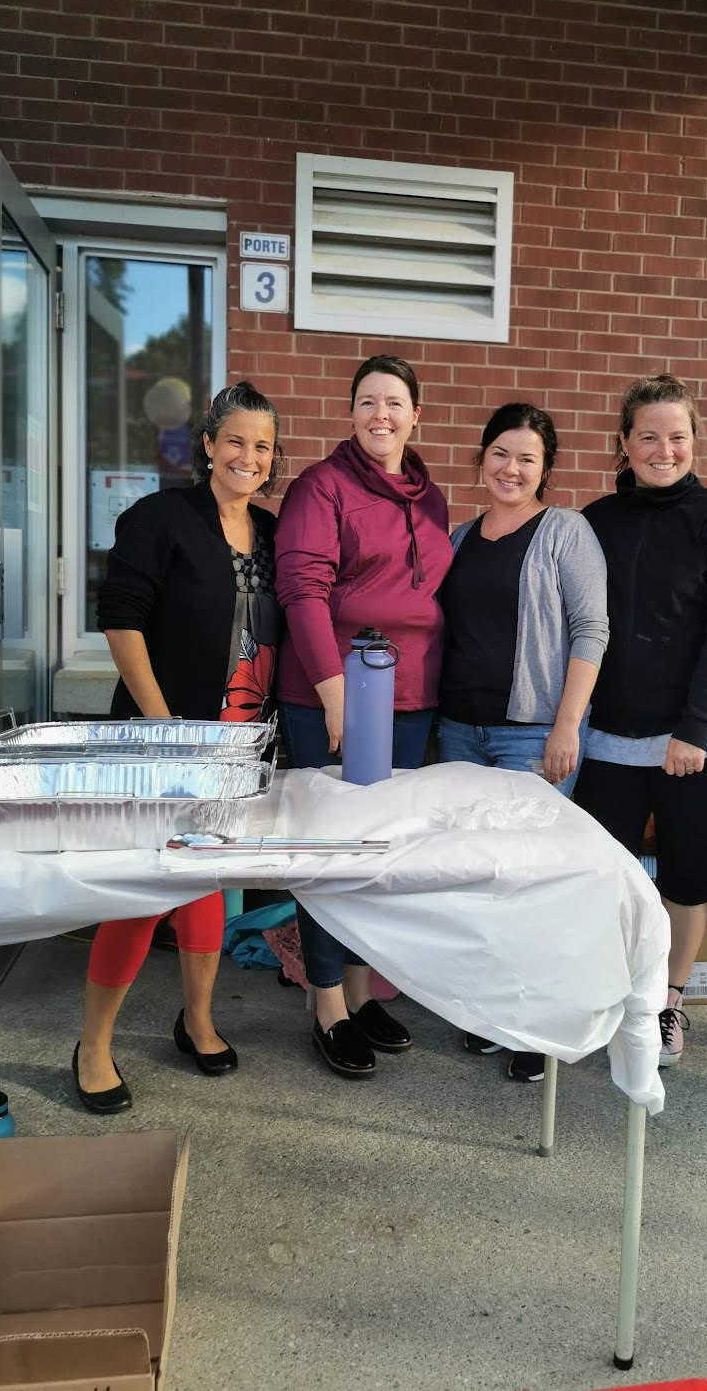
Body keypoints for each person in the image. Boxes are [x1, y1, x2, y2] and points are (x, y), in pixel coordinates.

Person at [74, 381, 282, 1113]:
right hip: (160, 740)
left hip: (236, 748)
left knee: (206, 883)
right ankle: (93, 1044)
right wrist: (167, 731)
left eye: (262, 446)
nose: (248, 457)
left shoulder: (272, 532)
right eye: (236, 441)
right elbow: (121, 619)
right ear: (208, 445)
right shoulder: (159, 519)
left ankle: (196, 1019)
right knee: (140, 893)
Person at [574, 374, 707, 1069]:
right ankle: (612, 992)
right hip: (609, 738)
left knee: (685, 868)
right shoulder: (595, 520)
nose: (664, 450)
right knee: (608, 876)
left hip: (696, 741)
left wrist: (695, 728)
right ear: (624, 443)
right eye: (648, 436)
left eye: (677, 436)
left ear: (694, 441)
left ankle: (667, 1000)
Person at [275, 354, 452, 1080]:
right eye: (368, 401)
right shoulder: (322, 486)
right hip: (336, 693)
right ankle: (326, 1007)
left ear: (416, 416)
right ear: (351, 413)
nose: (381, 414)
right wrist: (334, 693)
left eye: (394, 402)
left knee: (377, 853)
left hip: (410, 697)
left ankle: (358, 991)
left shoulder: (431, 497)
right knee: (331, 850)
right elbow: (301, 589)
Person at [436, 402, 609, 1083]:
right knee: (477, 878)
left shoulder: (566, 531)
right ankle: (488, 1012)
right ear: (482, 458)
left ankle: (534, 1025)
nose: (511, 468)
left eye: (527, 458)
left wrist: (568, 723)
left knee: (531, 883)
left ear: (545, 469)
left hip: (532, 734)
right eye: (501, 454)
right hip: (459, 731)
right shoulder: (458, 538)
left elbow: (591, 630)